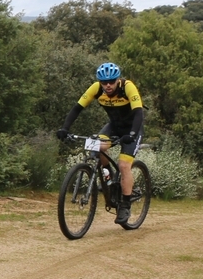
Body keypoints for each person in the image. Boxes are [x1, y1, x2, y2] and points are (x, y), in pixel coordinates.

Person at [56, 62, 144, 225]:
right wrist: (64, 128)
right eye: (104, 82)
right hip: (113, 127)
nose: (108, 85)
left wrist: (131, 134)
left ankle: (125, 205)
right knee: (97, 147)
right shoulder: (96, 88)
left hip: (132, 129)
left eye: (111, 81)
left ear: (118, 80)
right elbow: (77, 108)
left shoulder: (128, 87)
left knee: (124, 165)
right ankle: (108, 177)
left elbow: (138, 112)